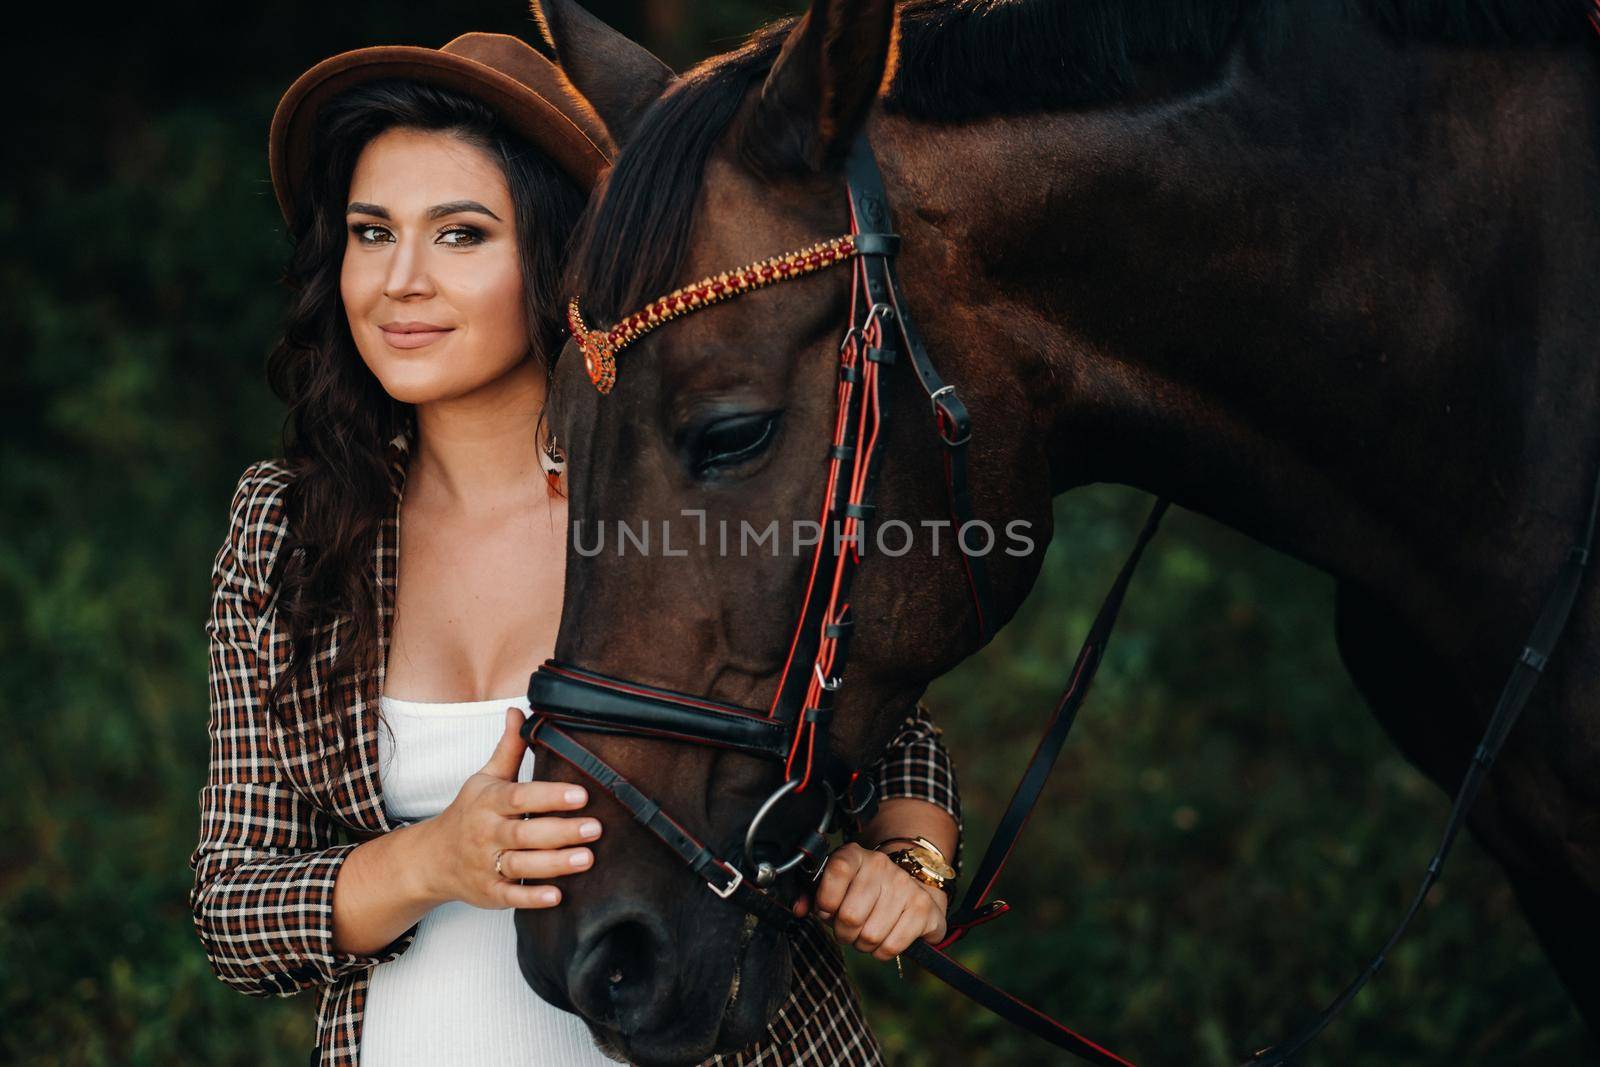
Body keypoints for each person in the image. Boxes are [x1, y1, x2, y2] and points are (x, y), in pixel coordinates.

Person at [188, 29, 964, 1067]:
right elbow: (234, 904)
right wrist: (437, 859)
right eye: (372, 233)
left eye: (460, 235)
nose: (400, 280)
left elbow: (890, 725)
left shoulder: (678, 491)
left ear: (557, 256)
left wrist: (909, 861)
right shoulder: (290, 524)